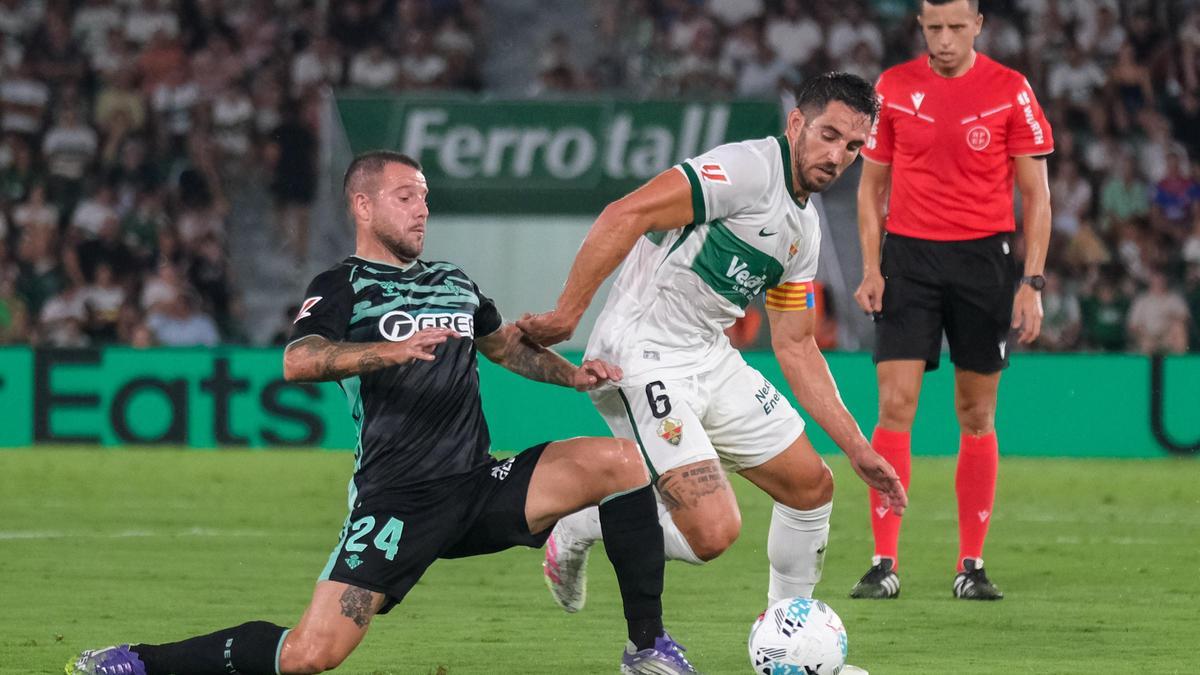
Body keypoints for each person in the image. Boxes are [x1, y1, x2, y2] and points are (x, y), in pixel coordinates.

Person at [67, 151, 698, 675]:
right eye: (404, 196)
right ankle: (139, 662)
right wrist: (384, 351)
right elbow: (299, 359)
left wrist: (574, 375)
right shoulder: (342, 285)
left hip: (478, 485)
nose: (422, 207)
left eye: (424, 196)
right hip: (397, 502)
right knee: (311, 655)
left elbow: (506, 346)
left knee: (619, 462)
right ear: (363, 206)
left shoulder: (453, 280)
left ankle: (646, 649)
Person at [518, 72, 908, 619]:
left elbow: (796, 347)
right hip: (639, 355)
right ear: (796, 123)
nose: (838, 156)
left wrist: (857, 446)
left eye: (853, 147)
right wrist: (567, 315)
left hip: (710, 356)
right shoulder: (747, 169)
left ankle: (788, 634)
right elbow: (625, 214)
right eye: (828, 134)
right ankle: (579, 523)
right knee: (713, 533)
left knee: (811, 486)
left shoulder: (805, 229)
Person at [850, 0, 1054, 601]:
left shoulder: (1010, 89)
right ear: (920, 26)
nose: (943, 39)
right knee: (895, 404)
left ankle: (971, 564)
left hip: (983, 262)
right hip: (908, 260)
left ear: (978, 27)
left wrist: (1032, 282)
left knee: (975, 413)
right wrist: (870, 267)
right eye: (933, 27)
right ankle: (884, 562)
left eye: (955, 28)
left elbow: (1036, 196)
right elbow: (871, 190)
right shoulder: (892, 87)